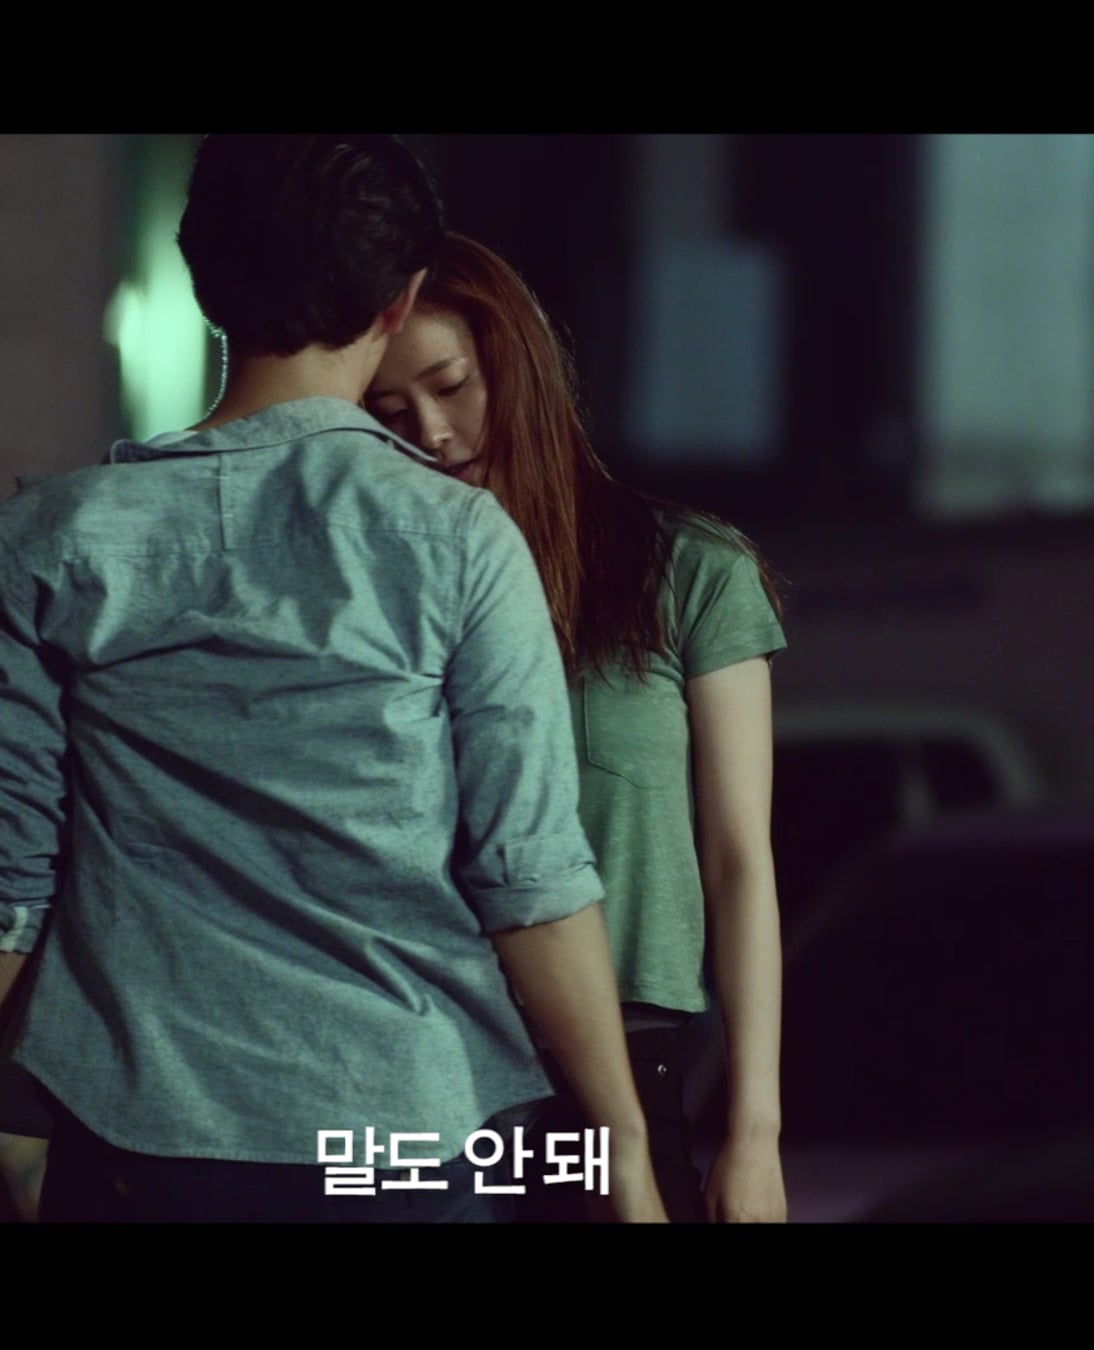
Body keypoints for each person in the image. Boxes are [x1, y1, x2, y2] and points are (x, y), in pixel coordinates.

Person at [0, 137, 667, 1223]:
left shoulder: (40, 545)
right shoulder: (458, 541)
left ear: (206, 286)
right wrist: (621, 1149)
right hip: (400, 1140)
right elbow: (529, 871)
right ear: (400, 300)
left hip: (140, 1143)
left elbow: (5, 863)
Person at [364, 231, 790, 1223]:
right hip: (419, 1048)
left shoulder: (685, 570)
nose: (432, 432)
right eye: (389, 412)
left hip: (625, 1046)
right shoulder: (378, 593)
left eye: (451, 385)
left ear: (515, 364)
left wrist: (755, 1132)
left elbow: (739, 861)